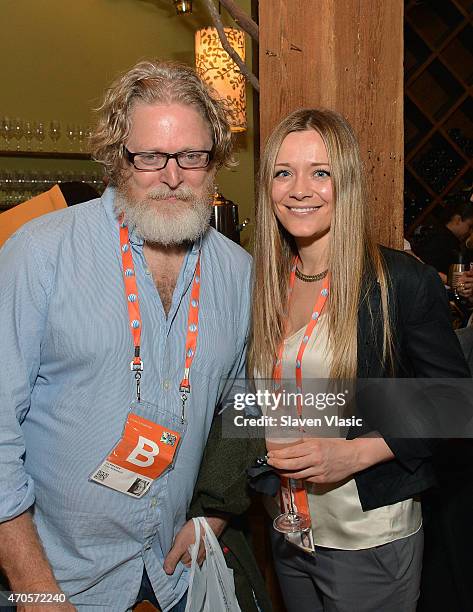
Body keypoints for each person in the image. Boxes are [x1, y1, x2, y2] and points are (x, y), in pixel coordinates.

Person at [0, 60, 253, 611]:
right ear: (119, 157)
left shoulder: (238, 272)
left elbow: (241, 407)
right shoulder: (39, 254)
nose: (172, 175)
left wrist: (216, 509)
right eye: (150, 157)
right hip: (60, 577)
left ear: (214, 162)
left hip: (174, 572)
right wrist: (36, 591)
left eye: (191, 156)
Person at [248, 108, 470, 612]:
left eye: (319, 172)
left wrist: (354, 453)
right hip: (288, 528)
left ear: (345, 182)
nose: (299, 188)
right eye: (284, 172)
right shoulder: (263, 284)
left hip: (367, 535)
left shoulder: (397, 281)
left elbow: (455, 402)